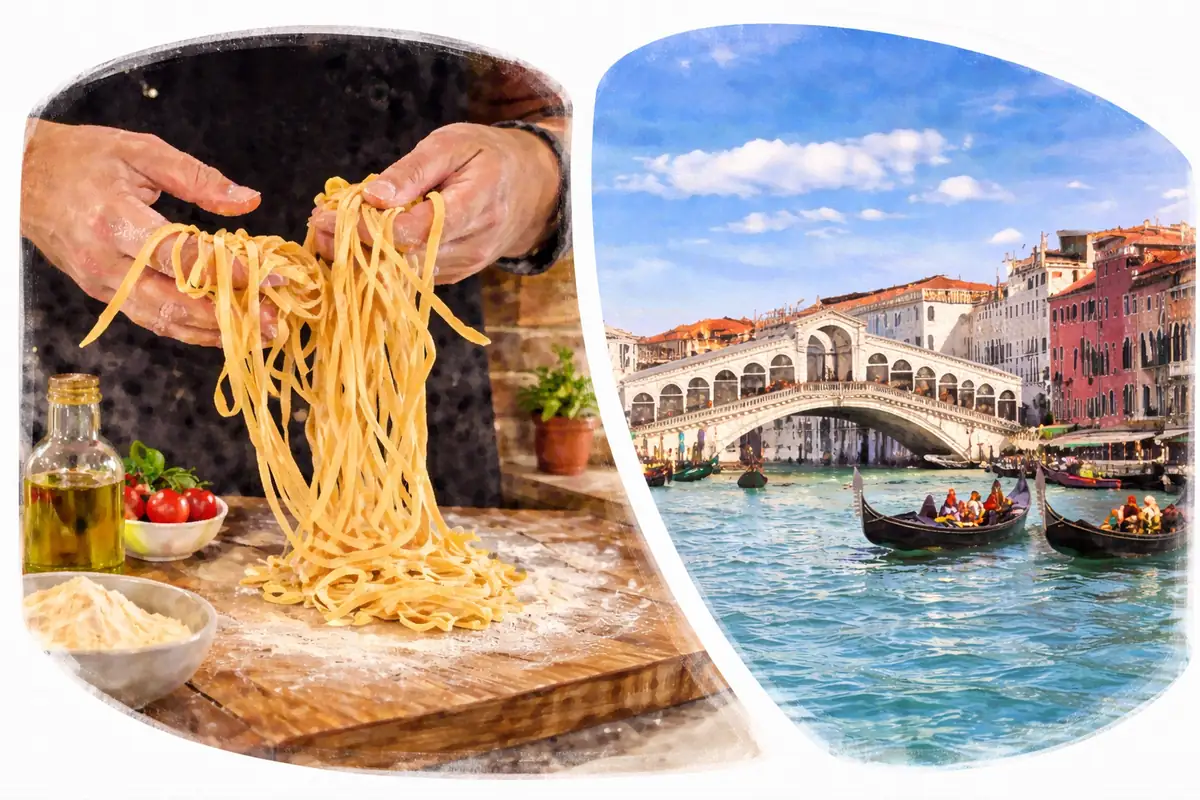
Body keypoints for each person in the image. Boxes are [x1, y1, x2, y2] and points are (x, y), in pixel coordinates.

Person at [20, 33, 571, 505]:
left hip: (405, 395)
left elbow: (575, 100)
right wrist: (28, 167)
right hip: (106, 417)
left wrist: (535, 177)